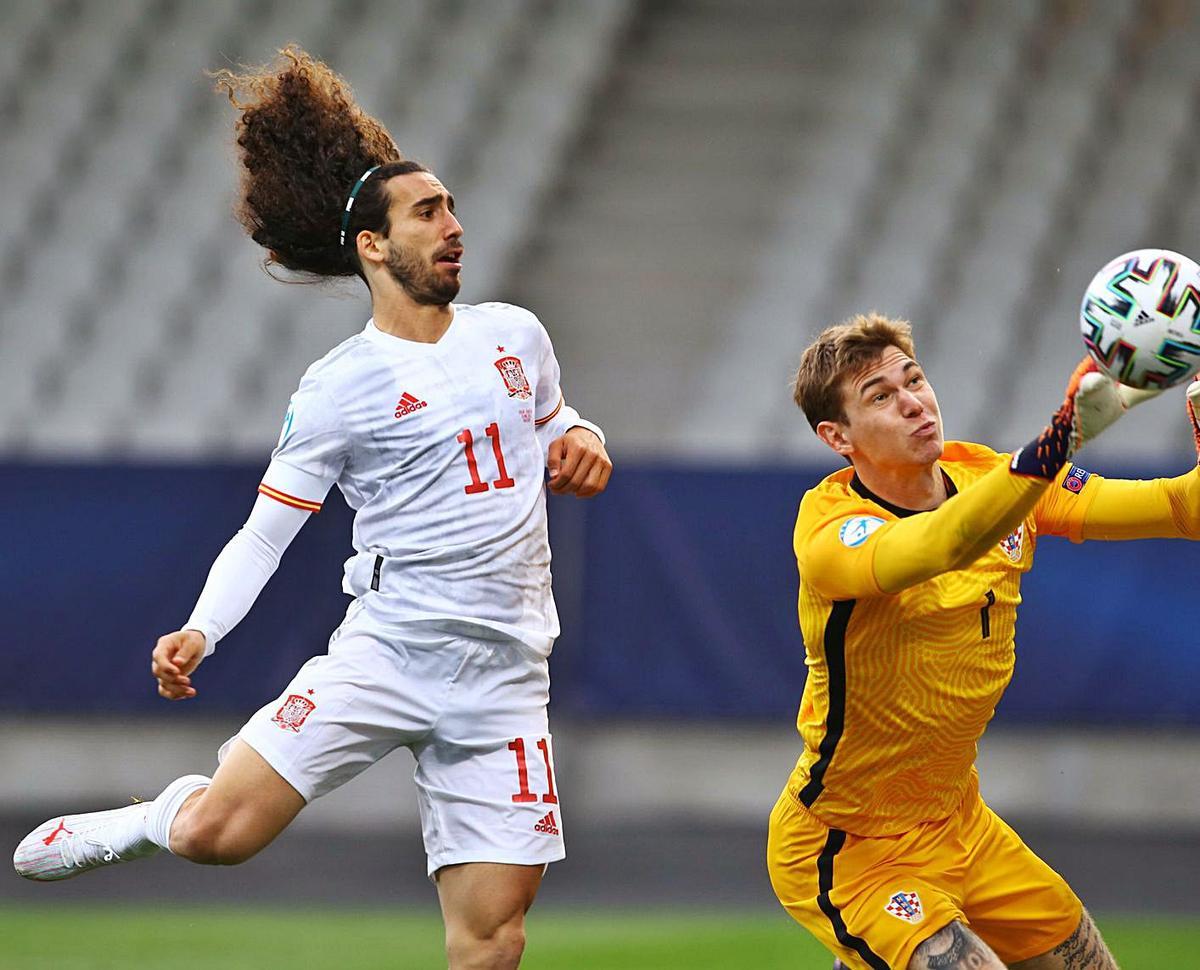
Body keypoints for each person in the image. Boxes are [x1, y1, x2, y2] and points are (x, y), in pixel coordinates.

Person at [13, 47, 611, 970]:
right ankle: (148, 819)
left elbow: (555, 418)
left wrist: (586, 438)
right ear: (374, 246)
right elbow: (267, 533)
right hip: (391, 649)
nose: (454, 225)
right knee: (222, 834)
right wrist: (202, 631)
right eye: (428, 212)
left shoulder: (516, 334)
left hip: (506, 672)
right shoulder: (339, 388)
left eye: (452, 206)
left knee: (494, 939)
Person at [766, 313, 1200, 969]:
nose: (913, 401)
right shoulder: (829, 533)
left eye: (913, 379)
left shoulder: (991, 479)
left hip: (962, 827)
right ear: (837, 437)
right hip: (849, 846)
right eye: (880, 397)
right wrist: (1063, 436)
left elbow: (1178, 509)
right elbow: (945, 542)